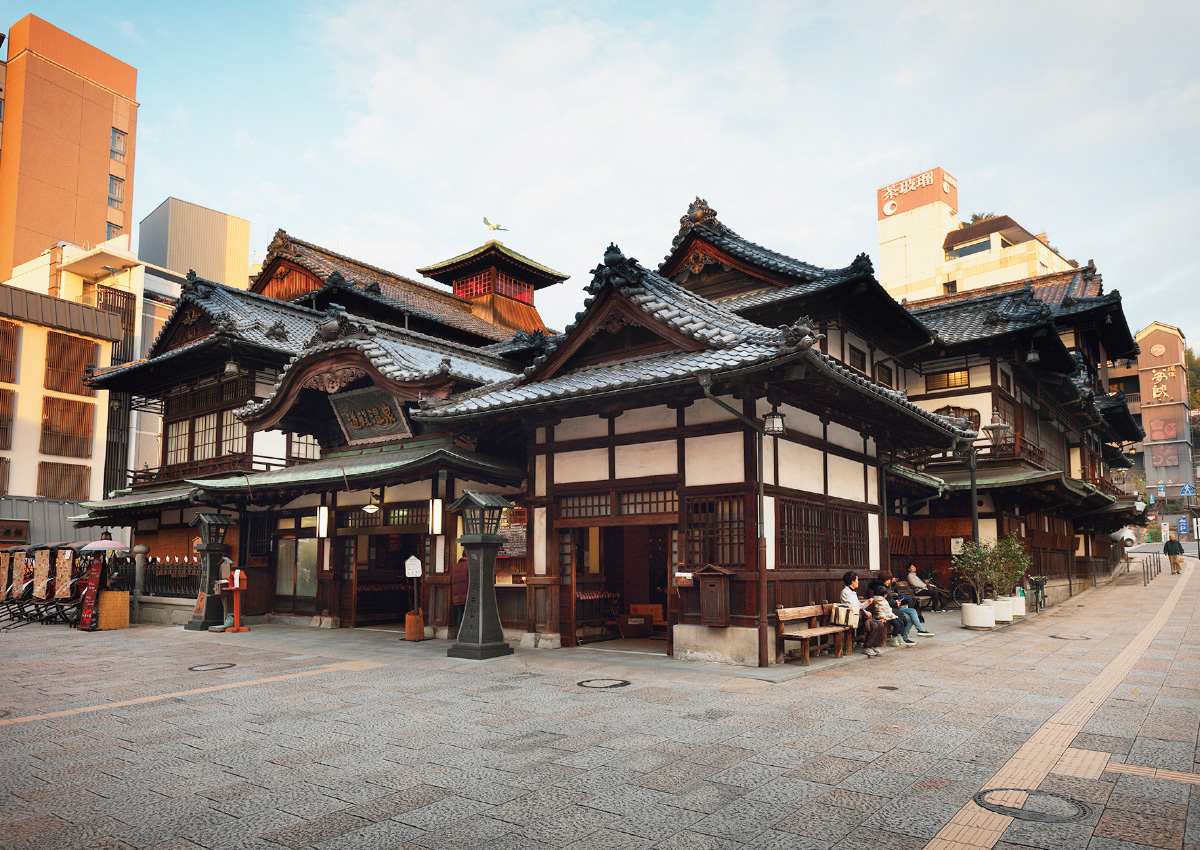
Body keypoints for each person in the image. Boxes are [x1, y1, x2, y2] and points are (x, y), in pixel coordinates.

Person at [842, 571, 885, 657]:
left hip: (860, 616)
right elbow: (853, 608)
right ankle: (867, 647)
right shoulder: (845, 592)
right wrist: (865, 612)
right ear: (852, 581)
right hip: (853, 618)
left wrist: (867, 603)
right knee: (874, 625)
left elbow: (858, 606)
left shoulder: (853, 592)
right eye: (857, 579)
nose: (858, 581)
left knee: (880, 624)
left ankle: (875, 646)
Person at [450, 555, 469, 635]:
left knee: (460, 614)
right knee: (468, 614)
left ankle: (459, 633)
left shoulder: (455, 567)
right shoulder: (468, 566)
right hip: (467, 594)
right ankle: (467, 633)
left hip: (456, 595)